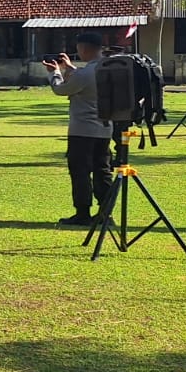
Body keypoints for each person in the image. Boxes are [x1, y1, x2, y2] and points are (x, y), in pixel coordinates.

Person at [47, 32, 114, 226]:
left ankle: (82, 212)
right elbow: (85, 80)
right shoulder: (107, 69)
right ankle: (105, 212)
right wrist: (70, 68)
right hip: (104, 129)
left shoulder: (85, 74)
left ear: (83, 48)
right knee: (103, 170)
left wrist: (54, 73)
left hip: (82, 130)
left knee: (80, 172)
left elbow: (60, 89)